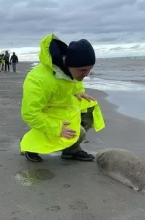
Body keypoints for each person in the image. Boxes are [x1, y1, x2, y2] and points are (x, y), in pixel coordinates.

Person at [20, 34, 105, 162]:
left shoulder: (71, 69)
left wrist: (79, 91)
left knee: (90, 106)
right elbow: (30, 114)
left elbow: (74, 80)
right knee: (79, 133)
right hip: (47, 112)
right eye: (83, 70)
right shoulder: (38, 80)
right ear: (69, 64)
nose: (86, 74)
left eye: (89, 70)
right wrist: (57, 128)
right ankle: (30, 146)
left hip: (62, 106)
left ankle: (71, 150)